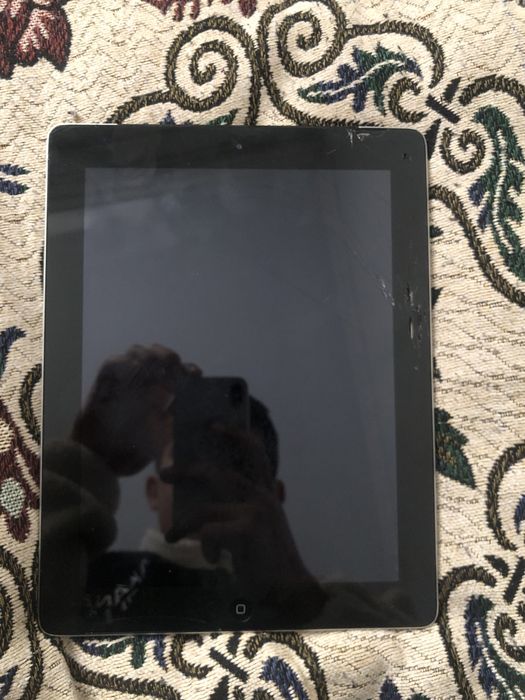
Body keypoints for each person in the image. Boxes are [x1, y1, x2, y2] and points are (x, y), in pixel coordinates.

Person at [41, 344, 326, 629]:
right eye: (191, 457)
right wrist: (86, 458)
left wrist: (296, 594)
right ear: (153, 491)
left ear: (275, 498)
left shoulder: (318, 600)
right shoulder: (81, 571)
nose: (211, 476)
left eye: (235, 462)